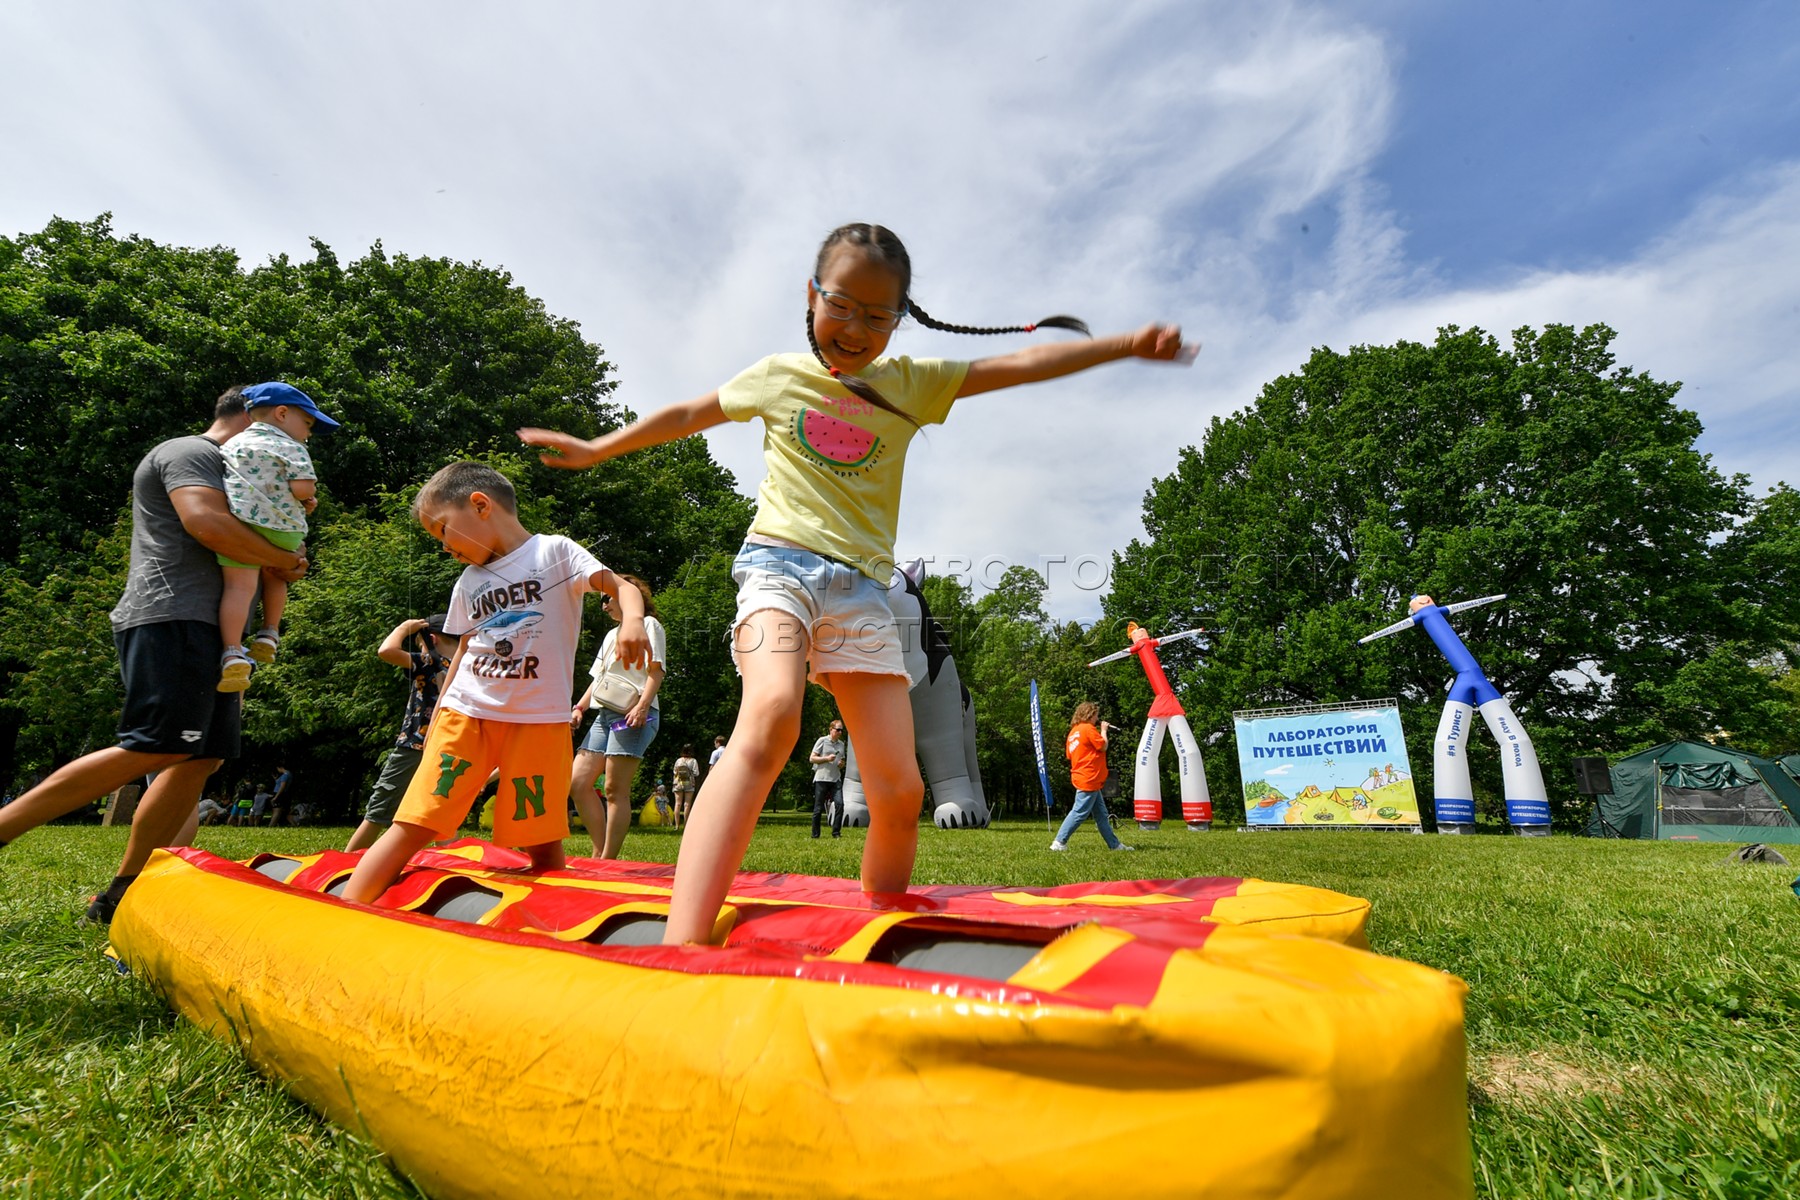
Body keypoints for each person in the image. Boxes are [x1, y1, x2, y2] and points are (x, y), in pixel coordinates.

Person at [521, 221, 1189, 944]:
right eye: (842, 305)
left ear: (901, 319)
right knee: (772, 715)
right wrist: (599, 448)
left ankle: (882, 928)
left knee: (900, 789)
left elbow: (1021, 364)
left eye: (879, 315)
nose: (856, 327)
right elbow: (690, 413)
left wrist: (1124, 345)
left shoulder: (911, 385)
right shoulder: (779, 375)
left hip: (866, 592)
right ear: (812, 295)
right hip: (778, 566)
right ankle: (681, 941)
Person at [0, 385, 308, 922]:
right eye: (299, 425)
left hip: (211, 629)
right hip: (173, 613)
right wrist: (284, 559)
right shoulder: (191, 452)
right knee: (153, 747)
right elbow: (204, 523)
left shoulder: (245, 469)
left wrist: (280, 559)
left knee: (201, 757)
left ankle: (121, 892)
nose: (300, 440)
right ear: (263, 417)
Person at [340, 462, 646, 905]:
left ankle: (549, 927)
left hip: (539, 722)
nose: (444, 548)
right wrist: (438, 713)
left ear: (480, 505)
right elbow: (464, 649)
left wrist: (633, 621)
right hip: (466, 715)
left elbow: (621, 587)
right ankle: (351, 910)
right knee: (414, 824)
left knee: (542, 844)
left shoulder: (555, 553)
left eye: (443, 532)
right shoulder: (469, 581)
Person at [215, 382, 339, 691]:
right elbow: (302, 489)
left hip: (241, 529)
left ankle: (231, 652)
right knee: (277, 577)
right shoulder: (292, 446)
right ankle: (269, 632)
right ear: (282, 413)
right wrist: (308, 498)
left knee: (238, 587)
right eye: (307, 423)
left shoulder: (231, 445)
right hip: (283, 531)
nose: (308, 432)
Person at [567, 575, 666, 858]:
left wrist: (643, 706)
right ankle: (599, 853)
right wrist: (579, 708)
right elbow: (598, 678)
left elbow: (655, 671)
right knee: (578, 783)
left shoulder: (649, 625)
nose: (603, 606)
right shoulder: (612, 635)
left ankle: (607, 861)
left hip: (635, 715)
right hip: (605, 715)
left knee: (614, 789)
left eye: (606, 598)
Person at [345, 615, 454, 853]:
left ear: (432, 639)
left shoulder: (430, 662)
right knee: (439, 814)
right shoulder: (465, 667)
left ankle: (340, 867)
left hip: (413, 746)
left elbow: (387, 651)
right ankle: (449, 866)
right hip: (447, 748)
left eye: (420, 645)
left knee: (378, 812)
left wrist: (404, 628)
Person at [1053, 702, 1132, 851]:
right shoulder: (1089, 729)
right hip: (1089, 777)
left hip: (1084, 776)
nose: (1097, 718)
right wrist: (1103, 730)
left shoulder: (1073, 732)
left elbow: (1069, 755)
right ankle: (1059, 842)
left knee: (1102, 815)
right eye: (1096, 715)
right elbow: (1103, 746)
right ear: (1089, 714)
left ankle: (1115, 845)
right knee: (1079, 812)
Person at [808, 719, 847, 838]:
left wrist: (841, 764)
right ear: (831, 730)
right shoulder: (822, 741)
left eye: (841, 730)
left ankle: (836, 833)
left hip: (836, 779)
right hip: (822, 779)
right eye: (838, 730)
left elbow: (843, 761)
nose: (840, 732)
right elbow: (812, 758)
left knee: (840, 804)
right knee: (818, 808)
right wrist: (826, 759)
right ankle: (815, 835)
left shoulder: (841, 744)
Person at [671, 745, 700, 827]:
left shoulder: (678, 760)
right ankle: (685, 824)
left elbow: (674, 772)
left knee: (678, 804)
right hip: (689, 783)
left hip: (678, 783)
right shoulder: (693, 761)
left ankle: (676, 825)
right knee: (687, 804)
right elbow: (696, 773)